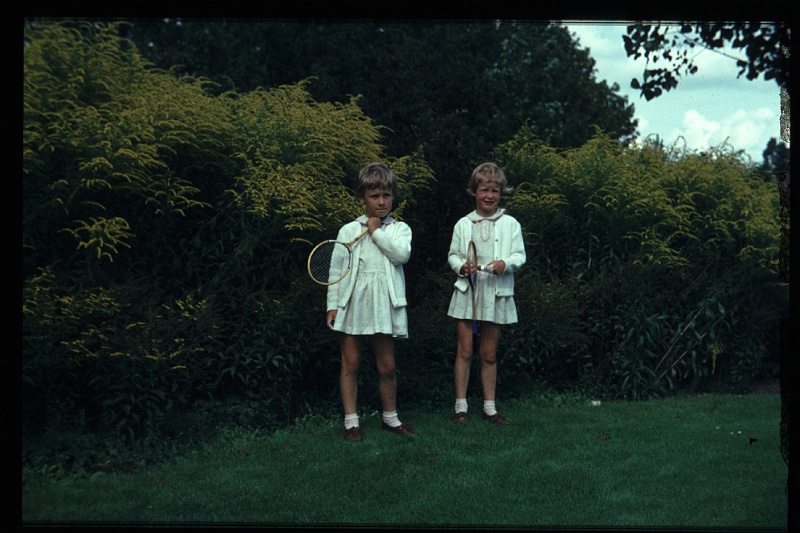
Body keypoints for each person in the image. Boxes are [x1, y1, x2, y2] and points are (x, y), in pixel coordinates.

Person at [326, 162, 417, 442]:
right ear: (361, 198)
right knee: (350, 364)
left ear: (393, 197)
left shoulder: (400, 229)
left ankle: (390, 418)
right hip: (353, 303)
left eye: (386, 195)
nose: (381, 202)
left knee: (387, 366)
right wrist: (332, 306)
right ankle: (351, 422)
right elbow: (336, 272)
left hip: (384, 304)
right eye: (374, 196)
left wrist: (376, 231)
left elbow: (400, 255)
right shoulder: (347, 231)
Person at [447, 162, 526, 425]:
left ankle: (489, 408)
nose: (489, 196)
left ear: (501, 193)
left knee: (489, 353)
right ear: (473, 191)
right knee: (465, 350)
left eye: (495, 191)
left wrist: (505, 264)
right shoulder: (463, 224)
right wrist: (461, 267)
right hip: (467, 291)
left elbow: (519, 256)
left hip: (496, 292)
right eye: (484, 190)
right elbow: (453, 255)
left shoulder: (511, 224)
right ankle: (461, 407)